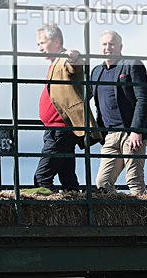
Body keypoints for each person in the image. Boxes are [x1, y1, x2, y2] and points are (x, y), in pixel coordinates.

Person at [33, 23, 100, 192]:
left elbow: (75, 65)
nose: (39, 48)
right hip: (56, 129)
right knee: (67, 176)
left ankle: (46, 212)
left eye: (42, 43)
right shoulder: (54, 62)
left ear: (56, 41)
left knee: (42, 177)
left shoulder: (64, 59)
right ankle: (74, 205)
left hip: (61, 129)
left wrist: (74, 56)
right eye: (38, 44)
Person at [90, 30, 147, 194]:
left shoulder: (132, 64)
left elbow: (144, 99)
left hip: (131, 134)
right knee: (102, 182)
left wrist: (136, 130)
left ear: (120, 47)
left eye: (112, 44)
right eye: (104, 44)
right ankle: (116, 216)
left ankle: (143, 216)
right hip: (110, 135)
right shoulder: (97, 71)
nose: (108, 48)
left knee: (134, 179)